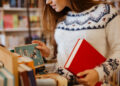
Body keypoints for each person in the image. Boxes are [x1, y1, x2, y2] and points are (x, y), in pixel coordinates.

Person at [32, 0, 120, 86]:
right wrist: (49, 52)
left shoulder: (106, 12)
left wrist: (98, 73)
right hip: (61, 82)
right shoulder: (62, 17)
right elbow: (65, 53)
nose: (47, 2)